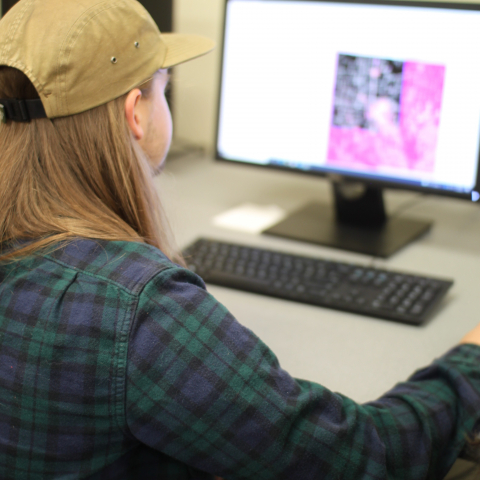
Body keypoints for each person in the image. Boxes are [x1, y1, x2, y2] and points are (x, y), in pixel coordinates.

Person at [0, 1, 480, 479]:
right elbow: (363, 459)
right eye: (164, 89)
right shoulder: (139, 311)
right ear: (136, 114)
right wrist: (469, 364)